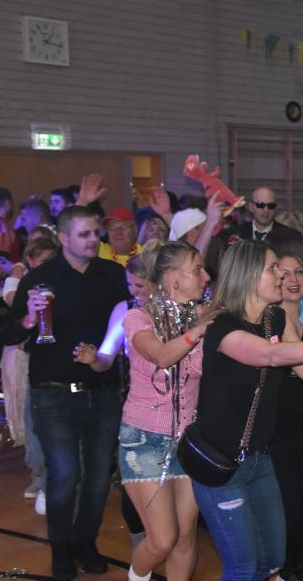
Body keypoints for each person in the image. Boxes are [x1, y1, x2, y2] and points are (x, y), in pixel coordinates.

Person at [192, 240, 303, 581]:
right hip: (221, 464)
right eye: (273, 268)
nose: (281, 275)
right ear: (249, 276)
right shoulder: (222, 326)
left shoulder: (275, 318)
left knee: (272, 561)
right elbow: (269, 355)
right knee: (243, 567)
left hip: (260, 460)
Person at [0, 205, 130, 580]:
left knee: (98, 474)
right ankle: (60, 548)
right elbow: (8, 332)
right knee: (64, 473)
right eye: (84, 234)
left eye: (95, 233)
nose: (93, 240)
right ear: (63, 238)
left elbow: (130, 316)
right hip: (53, 392)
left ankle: (85, 542)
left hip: (102, 388)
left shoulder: (112, 274)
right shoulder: (40, 278)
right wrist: (29, 316)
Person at [74, 242, 211, 581]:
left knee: (185, 536)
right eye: (197, 269)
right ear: (173, 278)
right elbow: (161, 356)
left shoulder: (202, 316)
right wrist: (199, 330)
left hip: (189, 440)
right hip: (145, 439)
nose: (207, 276)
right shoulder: (137, 317)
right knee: (162, 539)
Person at [270, 254, 303, 581]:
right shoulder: (271, 319)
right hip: (281, 426)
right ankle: (286, 565)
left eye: (299, 272)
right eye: (285, 273)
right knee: (288, 499)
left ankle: (299, 558)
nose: (293, 279)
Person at [0, 237, 58, 513]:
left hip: (53, 365)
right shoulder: (28, 285)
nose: (48, 266)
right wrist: (27, 322)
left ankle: (48, 481)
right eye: (42, 260)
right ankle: (40, 476)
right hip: (30, 362)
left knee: (48, 427)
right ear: (31, 262)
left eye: (51, 260)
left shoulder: (63, 286)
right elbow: (11, 328)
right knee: (32, 424)